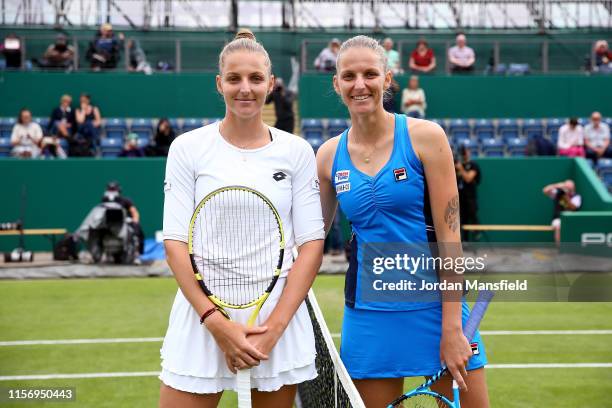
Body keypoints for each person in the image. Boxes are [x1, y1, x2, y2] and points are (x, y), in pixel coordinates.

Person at [316, 35, 489, 408]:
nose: (359, 84)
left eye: (369, 74)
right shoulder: (328, 156)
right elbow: (311, 244)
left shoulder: (426, 138)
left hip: (437, 307)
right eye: (349, 76)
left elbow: (450, 237)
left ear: (388, 79)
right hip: (369, 314)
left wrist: (450, 327)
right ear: (337, 83)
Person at [159, 29, 325, 408]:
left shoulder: (297, 151)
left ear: (271, 84)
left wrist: (274, 330)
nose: (245, 88)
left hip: (274, 324)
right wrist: (215, 323)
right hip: (202, 318)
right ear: (220, 84)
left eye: (255, 78)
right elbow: (174, 243)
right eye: (234, 79)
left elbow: (312, 244)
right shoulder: (187, 149)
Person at [101, 181, 145, 258]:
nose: (112, 192)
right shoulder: (104, 202)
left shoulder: (125, 200)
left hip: (125, 223)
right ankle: (102, 254)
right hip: (109, 225)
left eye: (114, 190)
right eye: (110, 190)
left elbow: (134, 212)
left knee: (138, 231)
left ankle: (137, 253)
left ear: (118, 190)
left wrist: (135, 221)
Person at [543, 180, 581, 246]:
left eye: (570, 187)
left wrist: (565, 197)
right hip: (558, 219)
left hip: (571, 219)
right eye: (566, 187)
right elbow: (545, 190)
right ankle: (560, 247)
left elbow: (573, 208)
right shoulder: (558, 193)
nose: (568, 189)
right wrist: (557, 185)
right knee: (559, 226)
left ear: (573, 188)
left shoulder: (576, 196)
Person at [455, 145, 481, 242]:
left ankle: (477, 235)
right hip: (460, 199)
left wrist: (461, 168)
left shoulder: (473, 165)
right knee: (462, 220)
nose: (464, 154)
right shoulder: (457, 166)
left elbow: (468, 178)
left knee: (473, 216)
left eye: (465, 152)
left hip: (470, 198)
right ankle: (464, 241)